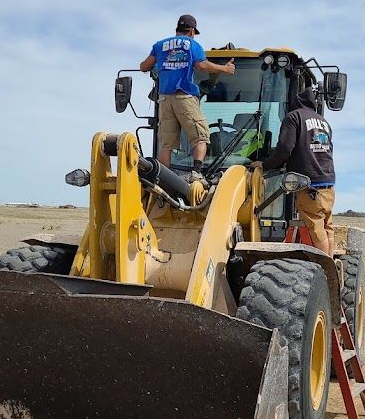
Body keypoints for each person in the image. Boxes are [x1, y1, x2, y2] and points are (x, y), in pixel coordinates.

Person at [139, 14, 235, 181]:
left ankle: (163, 180)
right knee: (201, 136)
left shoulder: (159, 46)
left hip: (164, 99)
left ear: (177, 29)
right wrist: (224, 69)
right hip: (184, 96)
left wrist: (161, 64)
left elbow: (143, 67)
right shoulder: (192, 45)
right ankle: (197, 173)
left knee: (166, 144)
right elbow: (201, 65)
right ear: (192, 31)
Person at [250, 86, 336, 257]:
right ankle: (331, 262)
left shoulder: (294, 117)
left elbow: (285, 148)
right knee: (327, 227)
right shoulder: (324, 122)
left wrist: (265, 165)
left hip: (308, 184)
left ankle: (326, 270)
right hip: (328, 182)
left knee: (316, 230)